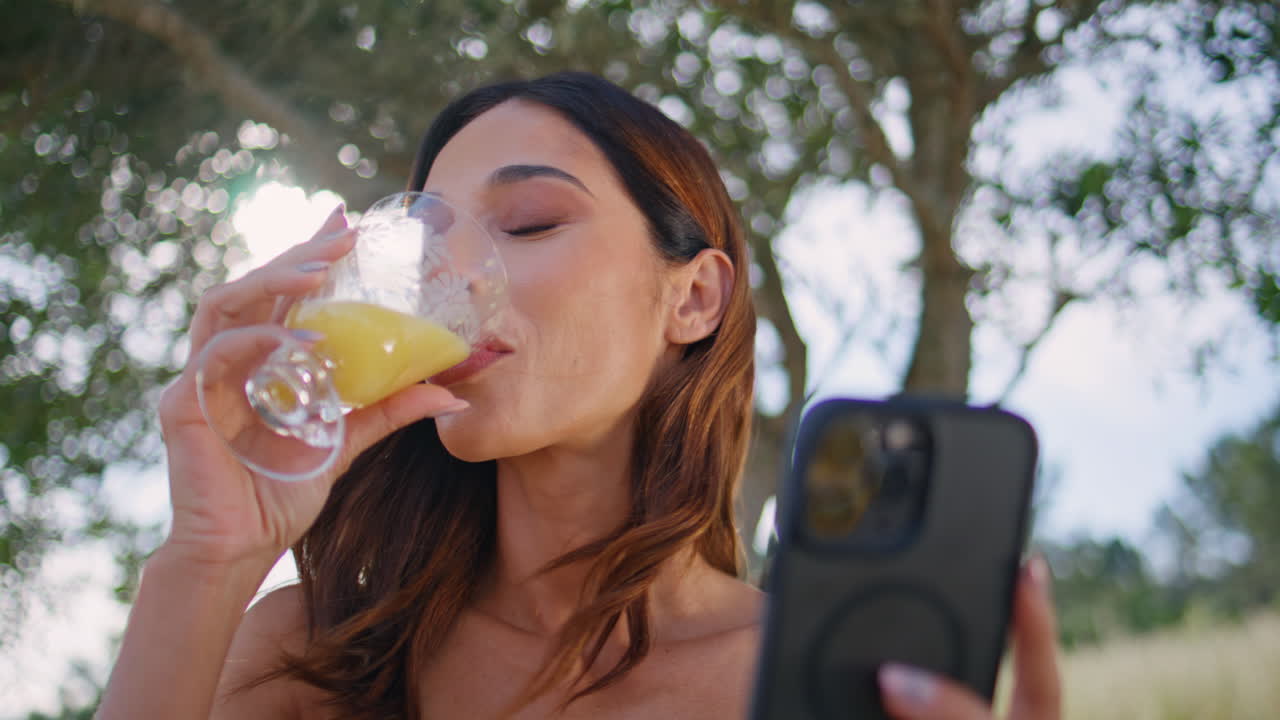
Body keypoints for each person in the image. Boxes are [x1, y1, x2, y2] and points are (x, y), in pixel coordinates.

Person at [98, 71, 1062, 720]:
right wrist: (208, 557)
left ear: (692, 297)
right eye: (426, 250)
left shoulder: (803, 682)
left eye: (527, 223)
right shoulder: (311, 655)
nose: (458, 280)